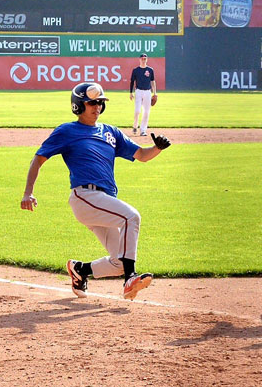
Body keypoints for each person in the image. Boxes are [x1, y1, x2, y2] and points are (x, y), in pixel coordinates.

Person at [21, 82, 171, 301]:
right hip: (85, 197)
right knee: (131, 216)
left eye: (100, 103)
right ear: (78, 106)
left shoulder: (111, 132)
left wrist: (157, 148)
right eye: (92, 102)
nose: (97, 107)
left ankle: (80, 270)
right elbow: (39, 158)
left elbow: (141, 155)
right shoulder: (67, 131)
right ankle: (130, 278)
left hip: (103, 201)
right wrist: (28, 192)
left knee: (119, 261)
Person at [128, 54, 156, 137]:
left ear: (146, 59)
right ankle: (135, 126)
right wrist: (130, 92)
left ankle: (143, 130)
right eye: (142, 58)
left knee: (146, 112)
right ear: (139, 59)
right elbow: (132, 81)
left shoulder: (150, 70)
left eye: (145, 58)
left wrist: (155, 93)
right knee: (137, 111)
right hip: (138, 91)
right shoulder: (136, 70)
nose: (143, 60)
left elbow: (153, 81)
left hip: (148, 92)